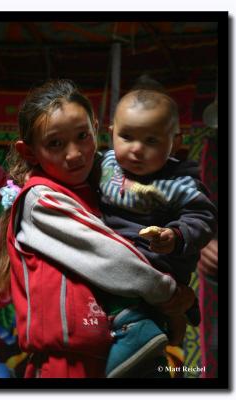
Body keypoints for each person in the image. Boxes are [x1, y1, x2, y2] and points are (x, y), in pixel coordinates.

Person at [0, 79, 195, 379]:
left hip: (112, 355)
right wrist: (171, 295)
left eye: (82, 136)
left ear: (97, 130)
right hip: (69, 367)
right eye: (55, 143)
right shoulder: (41, 199)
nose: (74, 153)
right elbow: (113, 257)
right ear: (29, 152)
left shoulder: (97, 189)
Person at [96, 88, 218, 377]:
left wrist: (174, 236)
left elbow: (202, 217)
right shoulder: (104, 165)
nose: (137, 149)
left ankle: (147, 333)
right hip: (111, 262)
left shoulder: (178, 182)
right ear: (112, 133)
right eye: (127, 137)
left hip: (154, 261)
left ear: (174, 143)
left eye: (151, 140)